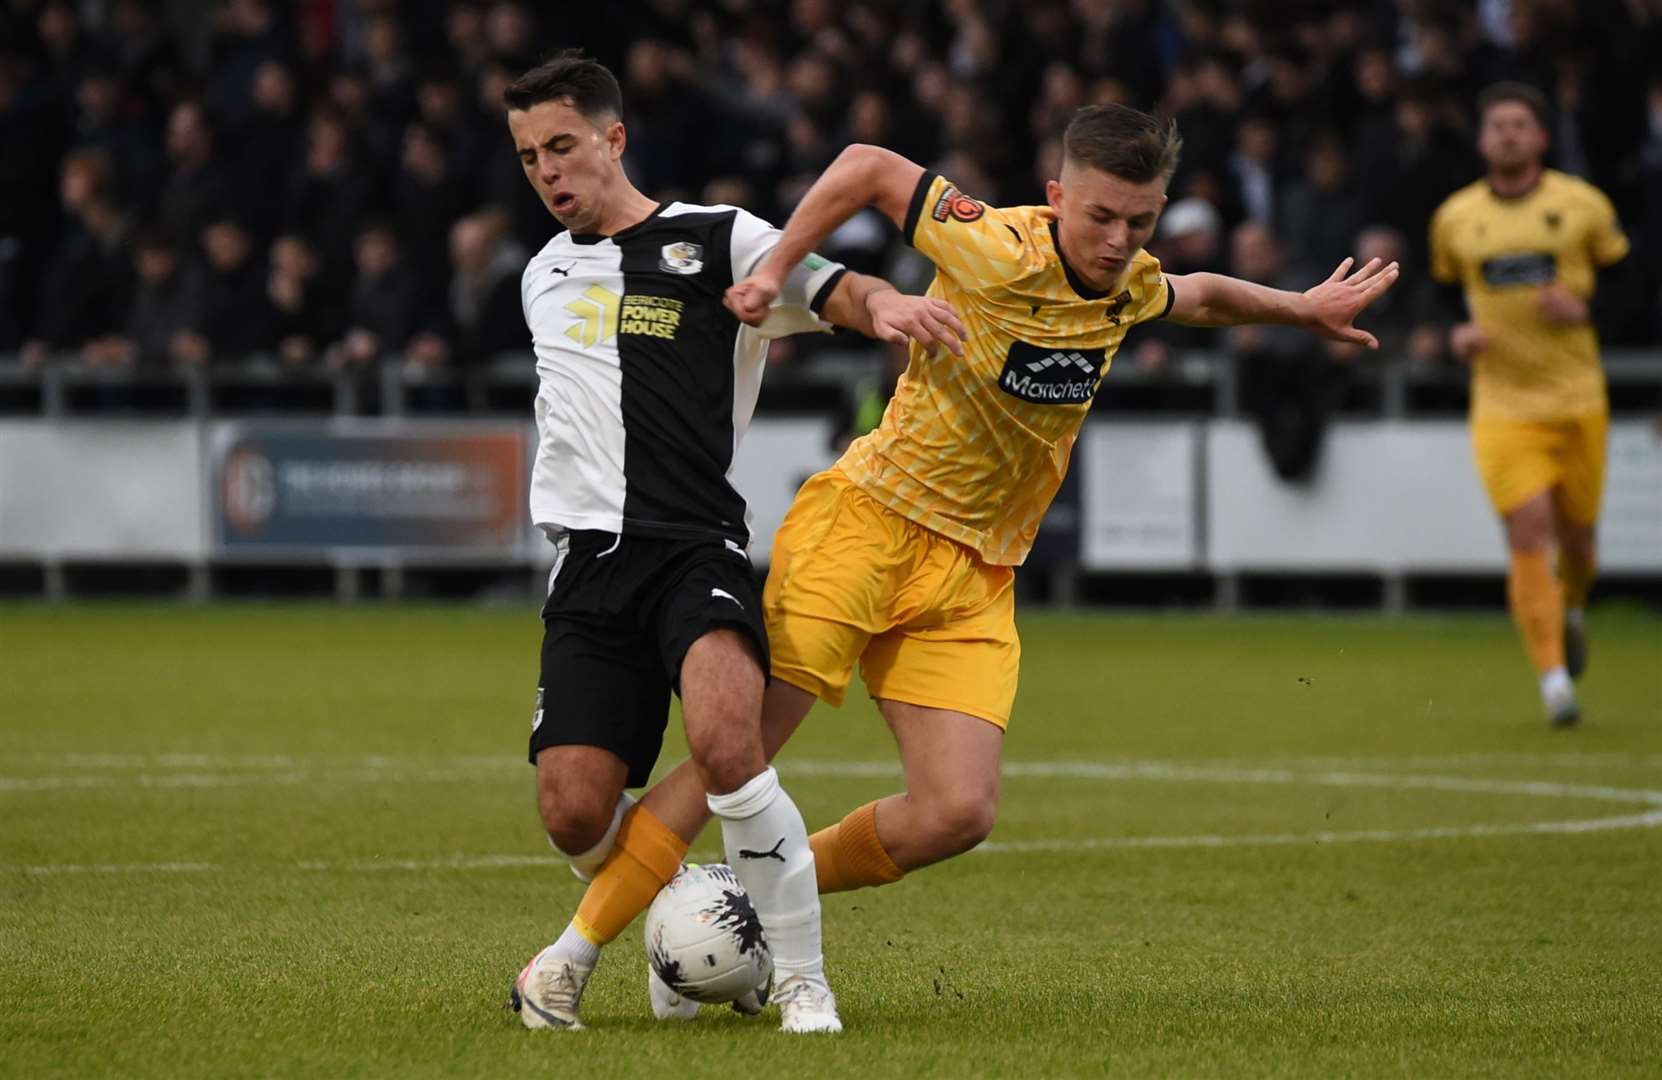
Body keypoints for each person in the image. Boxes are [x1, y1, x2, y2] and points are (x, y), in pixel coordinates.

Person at [573, 101, 1398, 1021]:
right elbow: (865, 162)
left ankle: (742, 909)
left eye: (1141, 220)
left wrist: (1302, 307)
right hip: (868, 524)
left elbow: (1199, 295)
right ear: (1055, 197)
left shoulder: (1127, 285)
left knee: (957, 813)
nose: (1120, 239)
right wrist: (773, 269)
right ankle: (568, 958)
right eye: (1101, 216)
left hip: (974, 575)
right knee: (742, 750)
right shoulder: (996, 247)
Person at [500, 52, 965, 1035]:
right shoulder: (541, 273)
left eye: (564, 146)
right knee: (573, 812)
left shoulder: (716, 241)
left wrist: (885, 307)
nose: (547, 171)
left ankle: (801, 984)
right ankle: (693, 914)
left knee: (726, 747)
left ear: (614, 139)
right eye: (531, 155)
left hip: (694, 547)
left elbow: (835, 286)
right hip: (589, 566)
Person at [1428, 82, 1632, 727]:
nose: (1509, 135)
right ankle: (1553, 683)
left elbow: (1631, 284)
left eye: (1520, 124)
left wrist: (1589, 306)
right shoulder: (1457, 218)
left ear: (1541, 137)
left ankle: (1570, 610)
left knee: (1578, 538)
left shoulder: (1583, 206)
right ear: (1483, 140)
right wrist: (1453, 333)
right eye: (1497, 126)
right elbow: (1438, 295)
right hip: (1502, 402)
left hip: (1577, 398)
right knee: (1528, 528)